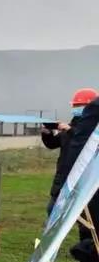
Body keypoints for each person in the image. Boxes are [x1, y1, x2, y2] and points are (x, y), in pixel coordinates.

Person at [58, 89, 99, 262]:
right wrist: (68, 186)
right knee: (91, 233)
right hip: (92, 186)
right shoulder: (95, 110)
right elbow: (78, 151)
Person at [43, 88, 98, 217]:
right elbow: (52, 144)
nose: (76, 108)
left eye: (80, 105)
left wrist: (70, 130)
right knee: (52, 211)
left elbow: (85, 141)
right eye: (75, 105)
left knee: (86, 216)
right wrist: (47, 134)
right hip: (63, 179)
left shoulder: (93, 130)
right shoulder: (70, 125)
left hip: (82, 179)